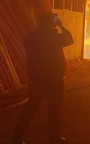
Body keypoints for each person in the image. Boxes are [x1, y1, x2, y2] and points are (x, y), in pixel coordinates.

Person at [11, 12, 74, 144]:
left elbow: (68, 41)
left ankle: (18, 137)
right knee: (53, 108)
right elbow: (69, 40)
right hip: (49, 78)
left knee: (34, 108)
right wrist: (60, 26)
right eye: (51, 20)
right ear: (47, 23)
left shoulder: (30, 37)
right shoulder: (52, 37)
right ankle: (54, 137)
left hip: (41, 78)